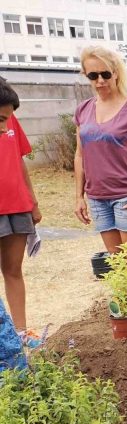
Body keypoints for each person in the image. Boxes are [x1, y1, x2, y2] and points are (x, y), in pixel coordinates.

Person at [72, 46, 127, 310]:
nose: (99, 81)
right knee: (116, 258)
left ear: (116, 74)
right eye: (92, 75)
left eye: (105, 74)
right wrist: (79, 196)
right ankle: (125, 303)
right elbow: (79, 155)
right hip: (98, 197)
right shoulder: (83, 110)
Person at [0, 79, 43, 347]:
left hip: (16, 204)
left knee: (13, 269)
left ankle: (20, 333)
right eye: (2, 120)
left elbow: (18, 158)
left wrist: (33, 201)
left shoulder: (7, 116)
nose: (5, 127)